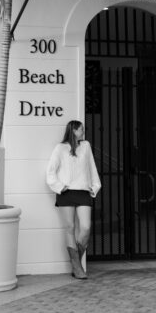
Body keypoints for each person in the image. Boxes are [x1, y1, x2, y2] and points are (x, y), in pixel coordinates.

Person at [46, 119, 101, 280]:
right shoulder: (60, 148)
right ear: (73, 130)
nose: (83, 132)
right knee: (69, 227)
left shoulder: (86, 146)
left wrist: (95, 185)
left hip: (83, 192)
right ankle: (77, 267)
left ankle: (75, 263)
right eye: (80, 129)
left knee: (85, 228)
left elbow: (92, 167)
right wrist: (59, 186)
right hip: (66, 193)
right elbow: (51, 171)